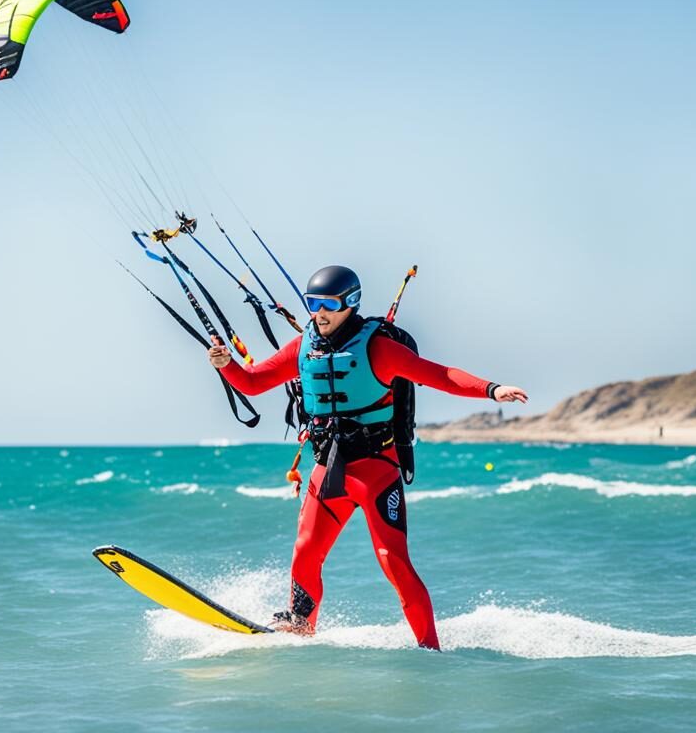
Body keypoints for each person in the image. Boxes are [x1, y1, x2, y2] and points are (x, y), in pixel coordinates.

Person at [208, 265, 527, 650]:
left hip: (377, 470)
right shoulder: (304, 346)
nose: (319, 313)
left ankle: (431, 650)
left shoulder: (377, 348)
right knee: (305, 553)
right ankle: (301, 631)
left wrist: (491, 390)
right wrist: (227, 366)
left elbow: (438, 375)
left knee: (394, 562)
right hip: (328, 470)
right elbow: (255, 383)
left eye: (328, 304)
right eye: (312, 304)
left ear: (350, 303)